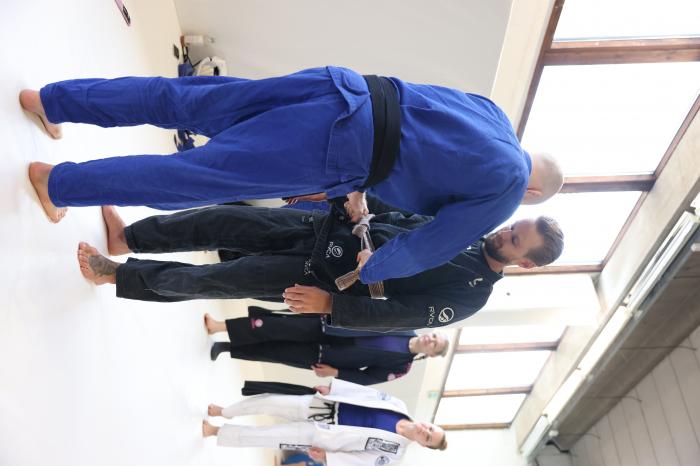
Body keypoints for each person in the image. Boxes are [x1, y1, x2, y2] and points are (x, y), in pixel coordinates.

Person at [23, 66, 563, 283]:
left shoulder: (494, 114)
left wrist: (355, 186)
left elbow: (411, 121)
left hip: (339, 86)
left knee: (186, 99)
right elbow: (432, 245)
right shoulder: (508, 188)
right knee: (189, 177)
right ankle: (58, 184)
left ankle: (50, 101)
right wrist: (372, 269)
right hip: (333, 148)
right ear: (534, 190)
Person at [75, 197, 563, 330]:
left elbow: (397, 316)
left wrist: (331, 305)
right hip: (324, 230)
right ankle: (128, 237)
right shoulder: (469, 228)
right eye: (512, 227)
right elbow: (402, 214)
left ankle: (116, 274)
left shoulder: (470, 296)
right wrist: (349, 200)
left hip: (319, 280)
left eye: (515, 240)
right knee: (222, 221)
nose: (504, 234)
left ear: (525, 264)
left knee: (214, 279)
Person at [202, 378, 447, 465]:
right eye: (431, 428)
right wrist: (334, 389)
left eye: (428, 437)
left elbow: (360, 462)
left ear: (423, 444)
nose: (425, 430)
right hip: (327, 406)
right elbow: (366, 394)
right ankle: (226, 411)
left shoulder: (394, 452)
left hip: (323, 436)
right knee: (271, 401)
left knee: (268, 437)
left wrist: (328, 458)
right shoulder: (399, 407)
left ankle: (216, 431)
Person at [205, 311, 448, 385]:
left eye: (435, 345)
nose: (431, 340)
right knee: (274, 326)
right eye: (435, 336)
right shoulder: (403, 323)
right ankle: (219, 326)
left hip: (328, 357)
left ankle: (226, 347)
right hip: (327, 327)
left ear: (431, 354)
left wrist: (336, 373)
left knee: (276, 352)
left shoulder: (402, 366)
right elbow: (369, 313)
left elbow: (367, 378)